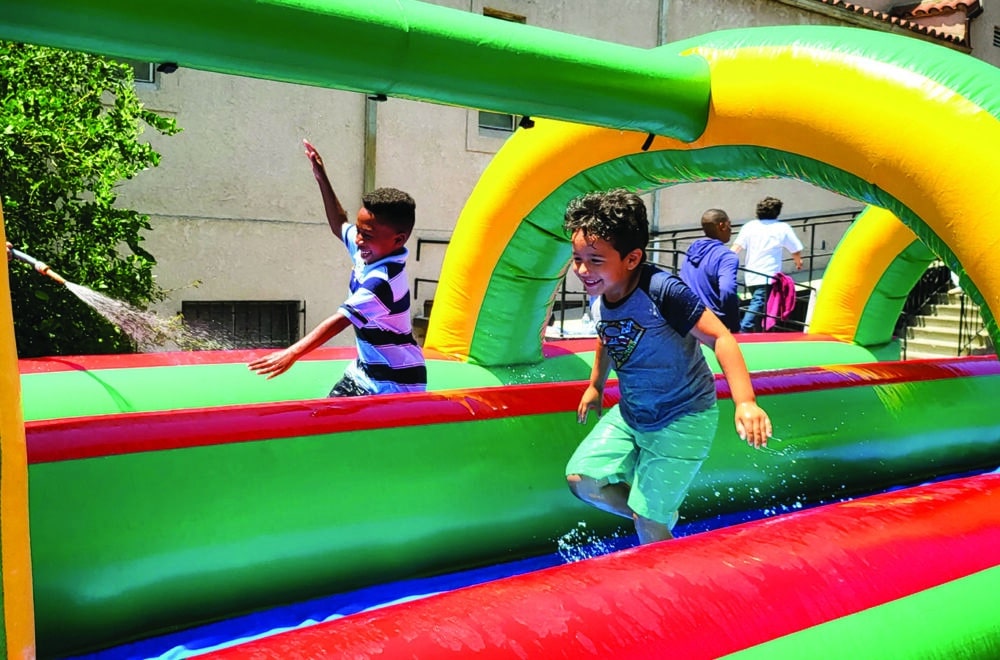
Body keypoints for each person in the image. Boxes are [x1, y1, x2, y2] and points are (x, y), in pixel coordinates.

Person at [563, 189, 771, 545]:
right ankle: (650, 513)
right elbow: (607, 334)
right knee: (583, 481)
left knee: (649, 523)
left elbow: (721, 337)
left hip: (683, 417)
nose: (582, 270)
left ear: (631, 258)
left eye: (595, 260)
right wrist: (596, 385)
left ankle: (667, 571)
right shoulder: (602, 292)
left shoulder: (662, 290)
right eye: (577, 258)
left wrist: (745, 401)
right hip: (633, 414)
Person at [249, 140, 426, 396]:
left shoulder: (384, 282)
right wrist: (321, 177)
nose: (357, 240)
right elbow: (339, 223)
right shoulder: (371, 251)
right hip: (364, 372)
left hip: (396, 383)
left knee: (351, 433)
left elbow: (341, 320)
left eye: (366, 234)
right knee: (321, 422)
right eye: (359, 231)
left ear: (398, 240)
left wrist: (292, 352)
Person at [731, 196, 803, 333]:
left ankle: (759, 332)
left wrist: (723, 262)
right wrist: (798, 262)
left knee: (761, 306)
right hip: (768, 274)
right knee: (759, 303)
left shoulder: (750, 226)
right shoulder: (782, 227)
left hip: (751, 274)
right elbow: (795, 248)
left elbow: (736, 247)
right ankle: (744, 329)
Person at [680, 209, 740, 333]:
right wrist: (734, 325)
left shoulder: (691, 250)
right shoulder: (727, 256)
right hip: (712, 325)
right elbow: (727, 290)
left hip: (686, 320)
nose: (731, 229)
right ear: (722, 225)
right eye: (730, 224)